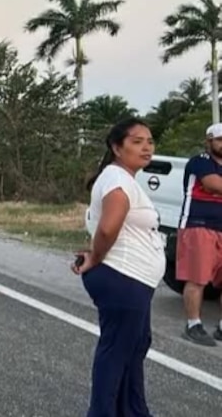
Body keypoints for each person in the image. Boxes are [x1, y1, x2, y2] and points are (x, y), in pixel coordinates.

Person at [74, 117, 165, 417]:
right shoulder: (117, 179)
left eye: (149, 141)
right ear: (116, 147)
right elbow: (108, 229)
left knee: (134, 347)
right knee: (117, 352)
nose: (146, 147)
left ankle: (133, 411)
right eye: (137, 142)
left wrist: (94, 255)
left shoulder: (122, 178)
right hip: (123, 277)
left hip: (132, 279)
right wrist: (96, 257)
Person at [175, 122, 222, 346]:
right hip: (198, 224)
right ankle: (193, 324)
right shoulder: (200, 162)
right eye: (220, 140)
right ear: (209, 141)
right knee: (197, 278)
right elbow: (213, 184)